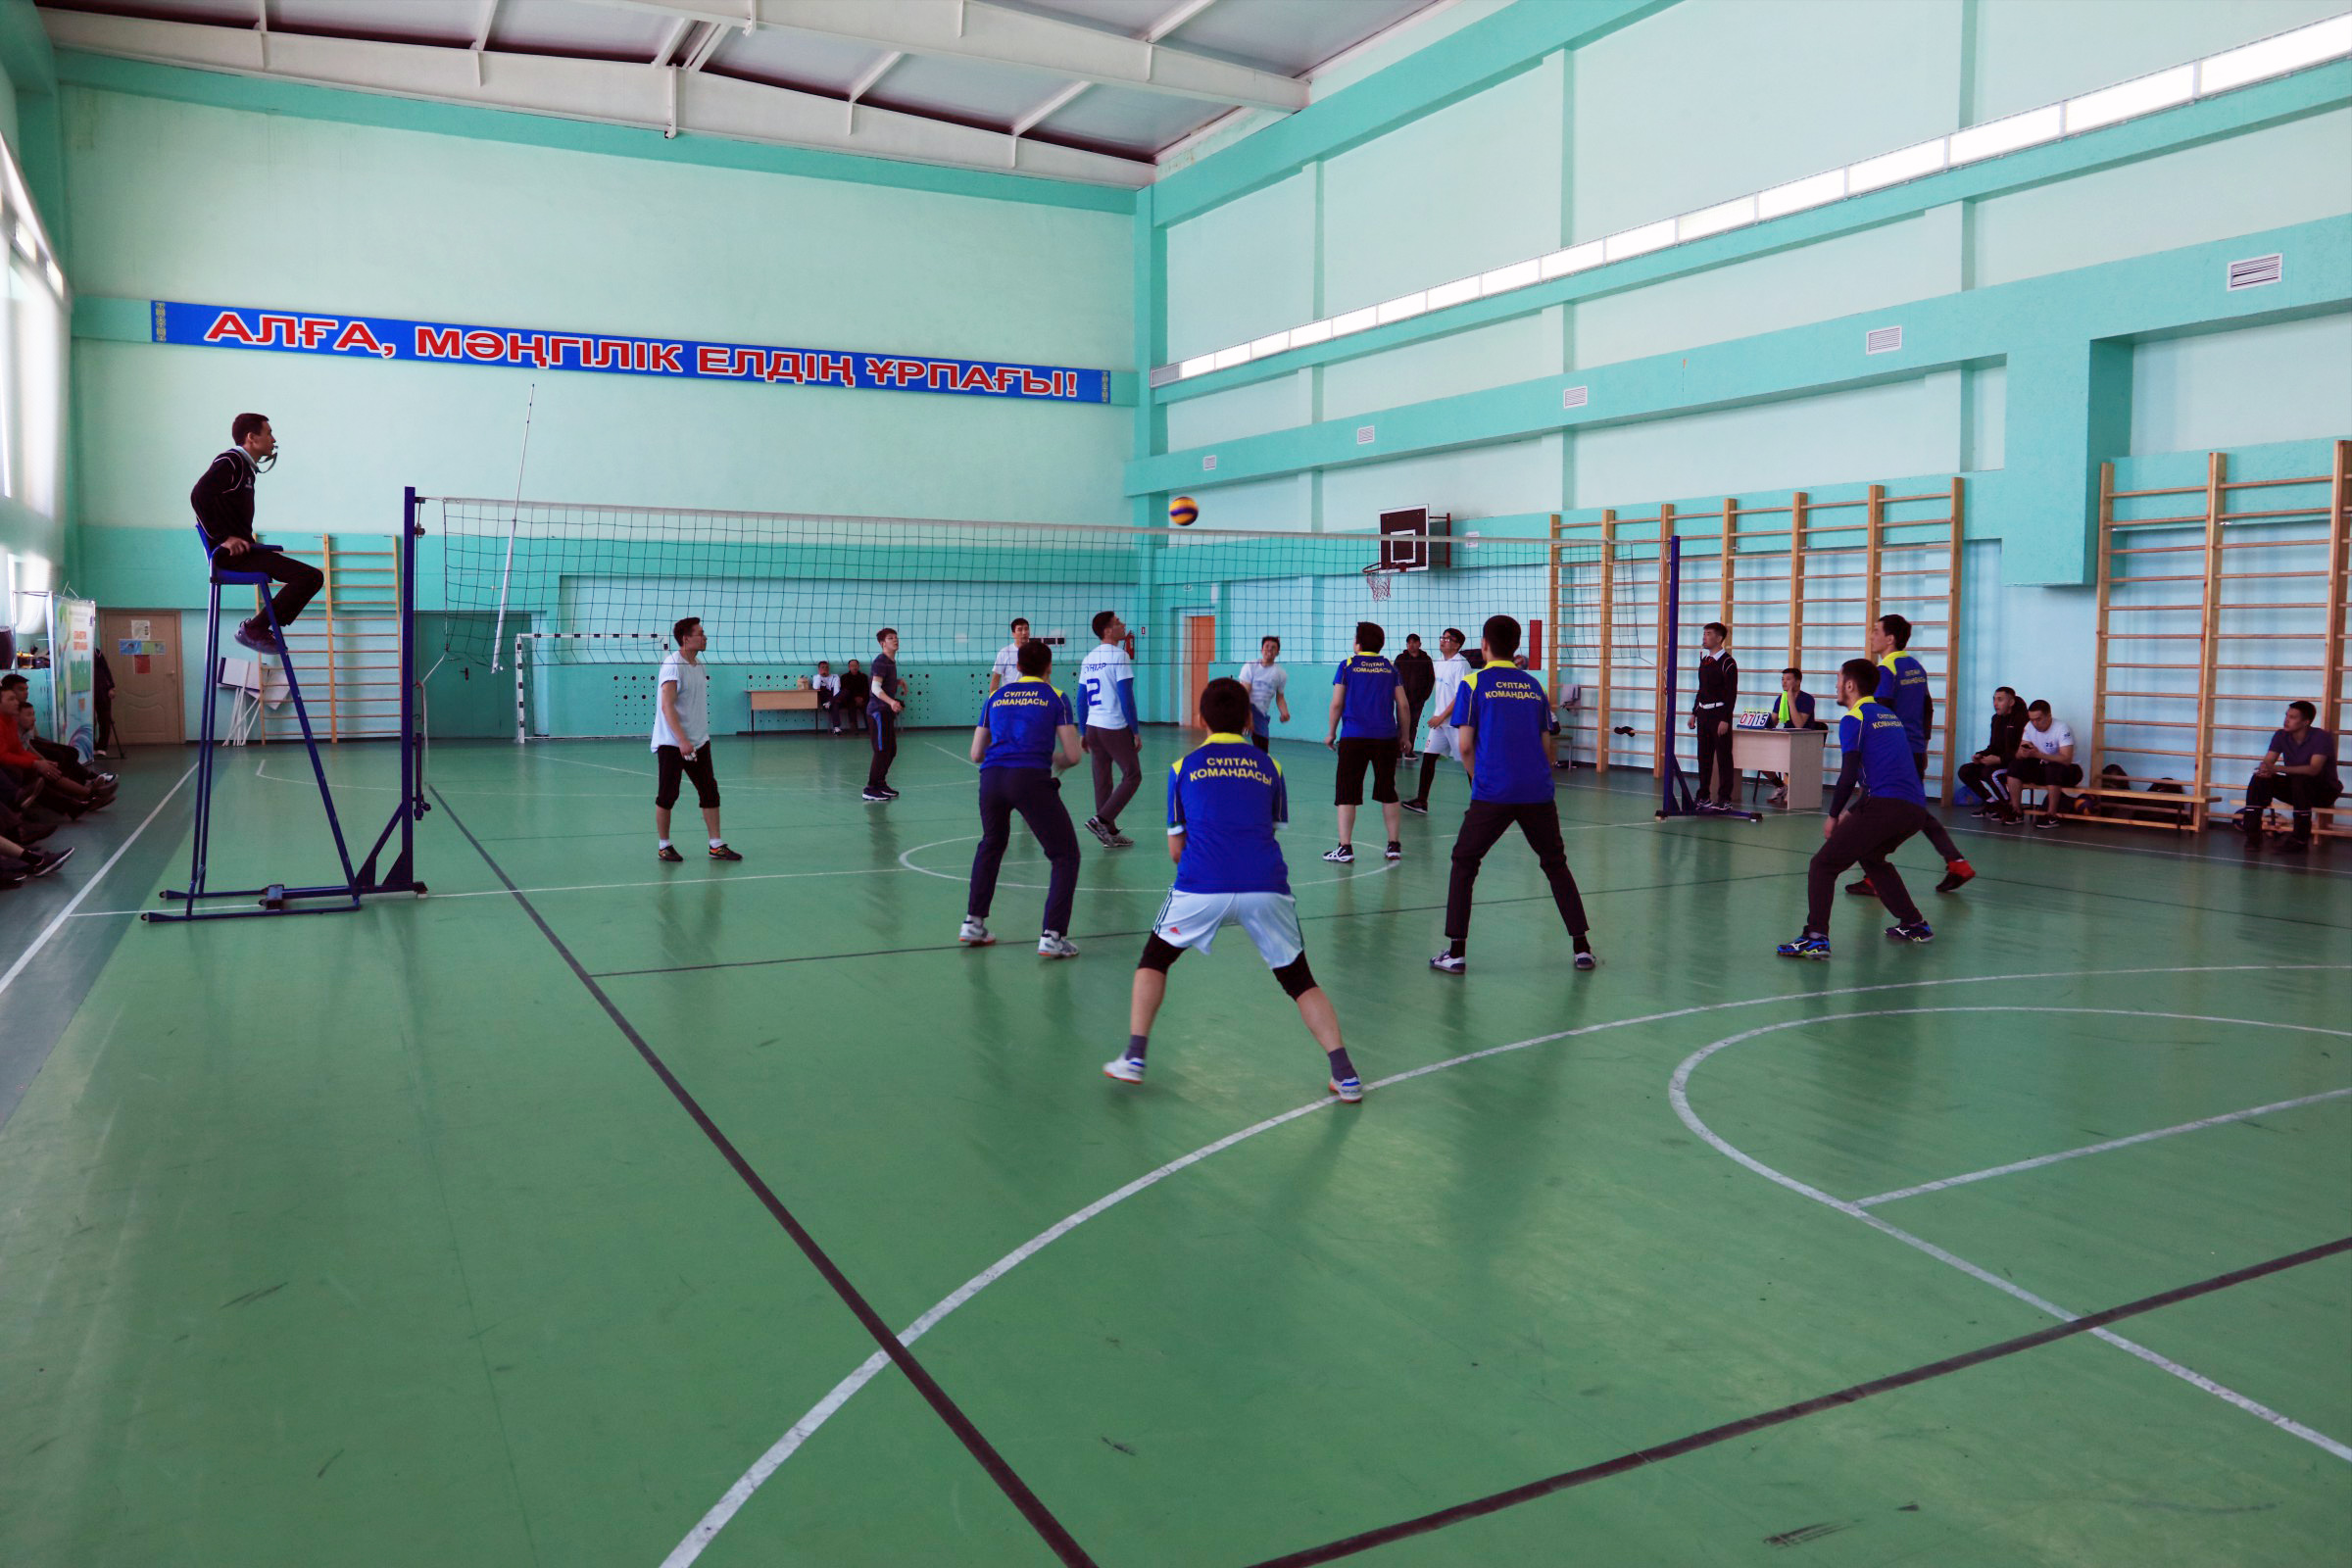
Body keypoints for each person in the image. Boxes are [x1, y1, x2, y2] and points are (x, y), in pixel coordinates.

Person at [1102, 677, 1362, 1103]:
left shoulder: (1181, 768)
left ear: (1201, 719)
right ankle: (1345, 1074)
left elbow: (1176, 850)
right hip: (1265, 885)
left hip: (1201, 884)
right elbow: (1269, 829)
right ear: (1248, 720)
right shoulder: (1271, 766)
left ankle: (1134, 1056)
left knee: (1154, 960)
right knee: (1300, 981)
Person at [1430, 614, 1594, 975]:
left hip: (1493, 791)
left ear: (1484, 646)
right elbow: (1547, 747)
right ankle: (1582, 948)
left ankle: (1456, 952)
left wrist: (1479, 781)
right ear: (1516, 647)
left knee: (1464, 862)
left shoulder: (1473, 683)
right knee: (1555, 864)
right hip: (1537, 791)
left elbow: (1465, 746)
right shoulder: (1534, 685)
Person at [1777, 658, 1935, 959]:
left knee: (1822, 865)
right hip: (1914, 809)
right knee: (1872, 857)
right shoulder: (1889, 715)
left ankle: (1815, 937)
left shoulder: (1855, 718)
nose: (1836, 685)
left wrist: (1833, 815)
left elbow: (1849, 774)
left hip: (1885, 806)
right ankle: (1914, 923)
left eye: (1838, 680)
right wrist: (1852, 812)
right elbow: (1886, 774)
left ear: (1849, 685)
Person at [961, 639, 1085, 956]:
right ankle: (1053, 936)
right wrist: (1054, 759)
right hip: (1029, 779)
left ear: (1017, 666)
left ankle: (973, 923)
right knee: (1065, 855)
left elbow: (976, 754)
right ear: (1049, 667)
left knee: (992, 844)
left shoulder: (995, 696)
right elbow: (1073, 755)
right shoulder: (1056, 696)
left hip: (991, 779)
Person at [1854, 613, 1975, 893]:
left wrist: (1873, 753)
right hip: (1915, 749)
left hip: (1894, 755)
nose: (1871, 635)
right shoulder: (1916, 667)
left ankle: (1874, 874)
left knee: (1872, 808)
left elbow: (1882, 713)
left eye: (1876, 631)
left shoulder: (1886, 669)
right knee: (1915, 811)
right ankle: (1956, 862)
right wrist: (1923, 743)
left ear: (1890, 638)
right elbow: (1927, 707)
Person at [188, 413, 322, 658]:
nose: (273, 439)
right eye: (269, 433)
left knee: (311, 577)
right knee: (309, 577)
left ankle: (258, 627)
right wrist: (223, 538)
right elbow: (198, 495)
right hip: (231, 556)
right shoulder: (231, 461)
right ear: (252, 437)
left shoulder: (246, 468)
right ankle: (255, 628)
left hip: (245, 552)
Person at [652, 617, 741, 862]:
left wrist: (696, 738)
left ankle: (716, 845)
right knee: (667, 795)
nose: (705, 637)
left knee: (710, 792)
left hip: (699, 742)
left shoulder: (698, 665)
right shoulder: (672, 665)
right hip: (672, 743)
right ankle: (664, 846)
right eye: (700, 634)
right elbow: (667, 706)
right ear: (685, 638)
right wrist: (682, 740)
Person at [1323, 620, 1409, 864]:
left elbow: (1337, 703)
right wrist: (1405, 737)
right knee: (1388, 790)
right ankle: (1393, 846)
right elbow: (1403, 705)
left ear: (1358, 644)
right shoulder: (1390, 667)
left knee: (1347, 793)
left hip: (1354, 737)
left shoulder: (1347, 665)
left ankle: (1345, 848)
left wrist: (1331, 732)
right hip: (1386, 738)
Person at [2238, 701, 2339, 852]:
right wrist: (2264, 769)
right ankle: (2253, 836)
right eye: (2286, 715)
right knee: (2259, 778)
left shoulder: (2321, 737)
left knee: (2301, 779)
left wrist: (2276, 768)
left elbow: (2313, 770)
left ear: (2305, 722)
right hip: (2297, 790)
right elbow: (2268, 761)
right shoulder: (2281, 735)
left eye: (2292, 717)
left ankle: (2299, 840)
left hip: (2323, 792)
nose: (2286, 720)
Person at [1078, 610, 1140, 848]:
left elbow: (1081, 698)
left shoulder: (1089, 658)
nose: (1123, 624)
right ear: (1107, 631)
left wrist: (1083, 731)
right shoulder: (1119, 656)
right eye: (1117, 622)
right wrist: (1134, 730)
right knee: (1133, 775)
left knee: (1102, 781)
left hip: (1094, 727)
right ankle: (1101, 820)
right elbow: (1126, 697)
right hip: (1113, 726)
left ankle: (1109, 832)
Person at [0, 685, 110, 812]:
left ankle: (81, 798)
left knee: (53, 764)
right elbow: (3, 755)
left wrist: (41, 761)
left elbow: (18, 749)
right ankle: (85, 796)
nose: (16, 702)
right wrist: (35, 763)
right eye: (11, 699)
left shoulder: (10, 721)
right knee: (36, 771)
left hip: (12, 762)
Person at [1403, 628, 1471, 816]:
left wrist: (1441, 717)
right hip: (1439, 723)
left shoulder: (1461, 664)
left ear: (1457, 645)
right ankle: (1421, 801)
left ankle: (1480, 805)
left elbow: (1460, 696)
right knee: (1428, 758)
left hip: (1456, 723)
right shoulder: (1439, 662)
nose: (1443, 641)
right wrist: (1438, 716)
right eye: (1443, 637)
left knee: (1469, 764)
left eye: (1448, 639)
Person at [1955, 686, 2029, 822]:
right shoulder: (1996, 719)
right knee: (1965, 771)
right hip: (1999, 762)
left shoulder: (2023, 720)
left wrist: (1999, 759)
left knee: (1990, 772)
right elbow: (1993, 747)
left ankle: (2011, 808)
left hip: (2016, 765)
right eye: (1994, 699)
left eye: (2000, 699)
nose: (1995, 703)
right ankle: (1993, 804)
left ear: (2011, 702)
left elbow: (2022, 752)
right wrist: (1980, 755)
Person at [2007, 700, 2081, 828]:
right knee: (2015, 765)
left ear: (2049, 716)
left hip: (2071, 771)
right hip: (2046, 769)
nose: (2035, 723)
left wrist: (2038, 755)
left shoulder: (2062, 728)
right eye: (2032, 720)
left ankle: (2051, 816)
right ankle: (2016, 811)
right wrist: (2023, 753)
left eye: (2038, 719)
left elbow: (2066, 759)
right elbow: (2019, 753)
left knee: (2053, 768)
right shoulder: (2029, 726)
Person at [1688, 621, 1739, 808]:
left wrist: (1725, 719)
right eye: (1704, 634)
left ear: (1719, 638)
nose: (1704, 637)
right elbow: (1702, 689)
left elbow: (1731, 694)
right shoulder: (1705, 661)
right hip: (1703, 714)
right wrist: (1694, 713)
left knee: (1724, 758)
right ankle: (1703, 796)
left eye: (1708, 634)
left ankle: (1725, 798)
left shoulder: (1728, 663)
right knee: (1704, 757)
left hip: (1719, 714)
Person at [1760, 667, 1821, 807]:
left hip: (1804, 741)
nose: (1784, 682)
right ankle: (1781, 786)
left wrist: (1791, 700)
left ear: (1798, 681)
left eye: (1788, 679)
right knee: (1761, 758)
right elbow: (1773, 721)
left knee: (1791, 761)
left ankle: (1797, 789)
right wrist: (1762, 721)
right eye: (1782, 679)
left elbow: (1799, 724)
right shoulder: (1780, 698)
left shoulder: (1807, 699)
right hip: (1786, 738)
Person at [861, 628, 905, 803]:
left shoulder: (890, 661)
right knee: (881, 751)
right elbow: (875, 688)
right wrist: (892, 702)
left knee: (891, 750)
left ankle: (880, 783)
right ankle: (870, 788)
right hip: (877, 712)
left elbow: (883, 681)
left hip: (885, 712)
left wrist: (898, 682)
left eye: (896, 637)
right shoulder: (881, 661)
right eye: (890, 638)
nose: (895, 640)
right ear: (882, 643)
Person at [1238, 636, 1290, 751]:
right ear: (1262, 650)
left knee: (1262, 750)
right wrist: (1247, 714)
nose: (1269, 649)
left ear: (1278, 652)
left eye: (1273, 647)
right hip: (1244, 707)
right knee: (1233, 743)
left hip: (1261, 714)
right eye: (1267, 647)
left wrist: (1284, 712)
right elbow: (1244, 693)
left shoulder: (1281, 674)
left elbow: (1280, 697)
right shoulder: (1250, 666)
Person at [1395, 633, 1436, 760]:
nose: (1411, 645)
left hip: (1418, 700)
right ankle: (1397, 751)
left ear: (1419, 644)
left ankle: (1409, 751)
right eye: (1409, 643)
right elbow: (1394, 676)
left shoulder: (1426, 659)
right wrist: (1396, 695)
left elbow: (1431, 679)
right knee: (1401, 724)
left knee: (1413, 724)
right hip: (1402, 699)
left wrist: (1424, 696)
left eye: (1414, 642)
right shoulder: (1401, 658)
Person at [988, 617, 1031, 696]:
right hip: (1010, 697)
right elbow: (996, 678)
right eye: (1020, 630)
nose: (1024, 633)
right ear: (1013, 634)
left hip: (1031, 696)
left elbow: (1044, 677)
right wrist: (992, 698)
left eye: (1026, 629)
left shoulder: (1035, 651)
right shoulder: (1004, 652)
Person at [93, 649, 121, 759]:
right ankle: (92, 746)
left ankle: (102, 748)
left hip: (102, 690)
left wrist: (111, 687)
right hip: (85, 692)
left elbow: (105, 669)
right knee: (89, 721)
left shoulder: (97, 653)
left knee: (104, 719)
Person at [839, 660, 871, 733]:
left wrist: (862, 698)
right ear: (849, 667)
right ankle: (854, 728)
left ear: (858, 666)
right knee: (851, 706)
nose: (854, 667)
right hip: (850, 699)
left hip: (863, 699)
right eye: (852, 666)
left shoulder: (863, 677)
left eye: (856, 665)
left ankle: (870, 728)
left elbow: (866, 690)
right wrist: (854, 698)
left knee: (867, 707)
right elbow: (844, 691)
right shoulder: (844, 677)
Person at [812, 661, 844, 734]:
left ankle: (830, 702)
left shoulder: (835, 677)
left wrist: (831, 701)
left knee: (845, 692)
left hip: (835, 699)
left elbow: (837, 691)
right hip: (825, 702)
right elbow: (815, 687)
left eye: (826, 667)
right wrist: (820, 675)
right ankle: (836, 728)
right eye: (822, 667)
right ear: (819, 669)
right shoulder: (816, 677)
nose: (825, 669)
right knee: (835, 705)